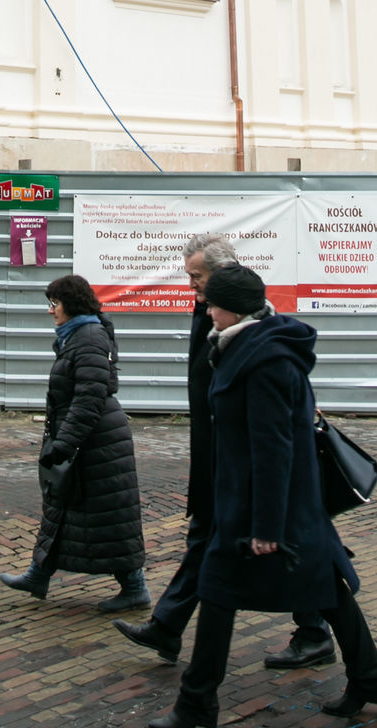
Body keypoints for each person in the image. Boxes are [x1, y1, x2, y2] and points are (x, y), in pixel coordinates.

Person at [148, 264, 377, 728]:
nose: (206, 310)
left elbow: (275, 448)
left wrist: (267, 527)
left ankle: (196, 703)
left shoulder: (266, 360)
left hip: (272, 508)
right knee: (323, 588)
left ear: (233, 308)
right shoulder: (246, 346)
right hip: (256, 504)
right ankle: (368, 680)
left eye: (212, 303)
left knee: (228, 592)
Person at [112, 233, 334, 669]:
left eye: (197, 277)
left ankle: (317, 635)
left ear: (223, 276)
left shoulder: (250, 326)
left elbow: (270, 415)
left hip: (239, 463)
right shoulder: (210, 313)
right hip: (217, 454)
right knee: (210, 542)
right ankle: (170, 628)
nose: (192, 286)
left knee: (285, 550)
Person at [0, 273, 148, 613]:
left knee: (108, 518)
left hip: (97, 444)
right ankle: (39, 574)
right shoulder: (77, 336)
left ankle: (135, 588)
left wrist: (64, 443)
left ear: (72, 304)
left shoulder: (89, 337)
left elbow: (89, 397)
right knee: (62, 508)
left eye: (55, 303)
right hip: (88, 439)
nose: (51, 311)